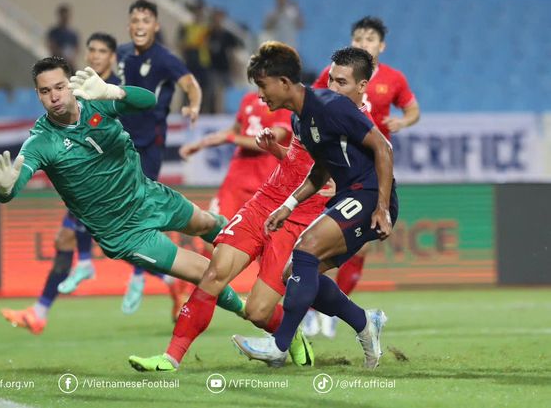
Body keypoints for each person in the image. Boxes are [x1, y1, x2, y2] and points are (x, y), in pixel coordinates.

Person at [127, 46, 373, 373]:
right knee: (215, 271)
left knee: (258, 311)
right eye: (330, 79)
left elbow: (353, 170)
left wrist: (374, 204)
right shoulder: (310, 110)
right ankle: (170, 358)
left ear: (361, 86)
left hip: (300, 218)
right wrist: (278, 150)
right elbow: (301, 162)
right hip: (265, 202)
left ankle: (299, 334)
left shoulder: (357, 125)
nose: (332, 86)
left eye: (341, 82)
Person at [0, 58, 245, 335]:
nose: (54, 96)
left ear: (70, 84)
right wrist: (5, 188)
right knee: (203, 271)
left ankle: (264, 256)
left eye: (59, 87)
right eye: (45, 91)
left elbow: (149, 101)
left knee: (208, 223)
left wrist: (114, 91)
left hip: (148, 196)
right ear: (38, 95)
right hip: (124, 233)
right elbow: (11, 188)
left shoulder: (96, 101)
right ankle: (249, 311)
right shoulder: (41, 142)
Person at [232, 43, 398, 369]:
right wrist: (288, 205)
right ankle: (365, 322)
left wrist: (381, 207)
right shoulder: (301, 121)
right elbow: (321, 170)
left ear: (283, 82)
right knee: (295, 272)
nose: (261, 95)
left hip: (369, 194)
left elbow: (384, 147)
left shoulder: (332, 107)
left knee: (305, 249)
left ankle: (279, 346)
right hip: (347, 195)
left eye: (263, 87)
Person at [0, 33, 121, 334]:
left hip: (113, 182)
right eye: (91, 50)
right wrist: (7, 186)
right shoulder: (73, 94)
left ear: (112, 56)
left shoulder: (108, 89)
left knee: (133, 244)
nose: (95, 55)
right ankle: (41, 310)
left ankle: (176, 283)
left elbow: (142, 111)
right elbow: (14, 183)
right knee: (63, 240)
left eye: (101, 51)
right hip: (86, 186)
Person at [310, 16, 419, 338]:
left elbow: (414, 110)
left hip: (372, 167)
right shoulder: (336, 75)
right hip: (338, 164)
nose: (363, 43)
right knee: (316, 243)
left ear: (381, 46)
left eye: (370, 39)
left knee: (356, 247)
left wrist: (404, 122)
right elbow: (311, 105)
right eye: (358, 38)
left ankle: (332, 310)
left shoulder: (394, 79)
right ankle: (315, 308)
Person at [116, 0, 203, 316]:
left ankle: (140, 275)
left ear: (156, 26)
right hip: (120, 144)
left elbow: (191, 85)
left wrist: (193, 105)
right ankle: (166, 279)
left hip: (149, 146)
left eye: (146, 20)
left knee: (139, 214)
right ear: (129, 25)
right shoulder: (122, 55)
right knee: (115, 216)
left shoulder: (165, 59)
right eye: (135, 19)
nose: (140, 25)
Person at [179, 90, 291, 221]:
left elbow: (268, 142)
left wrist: (230, 138)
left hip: (267, 179)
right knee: (217, 226)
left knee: (264, 232)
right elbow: (234, 130)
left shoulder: (284, 103)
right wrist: (200, 144)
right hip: (237, 178)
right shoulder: (249, 98)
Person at [207, 9, 243, 113]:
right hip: (213, 68)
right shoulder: (209, 34)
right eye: (216, 18)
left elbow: (232, 53)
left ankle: (225, 113)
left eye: (220, 18)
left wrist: (235, 68)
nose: (218, 20)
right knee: (214, 93)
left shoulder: (228, 36)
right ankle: (216, 113)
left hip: (225, 68)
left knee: (227, 93)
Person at [46, 4, 80, 69]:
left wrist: (71, 58)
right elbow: (51, 45)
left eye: (66, 17)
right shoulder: (54, 32)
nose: (65, 19)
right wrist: (60, 54)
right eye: (63, 17)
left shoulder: (73, 35)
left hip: (69, 63)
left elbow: (77, 48)